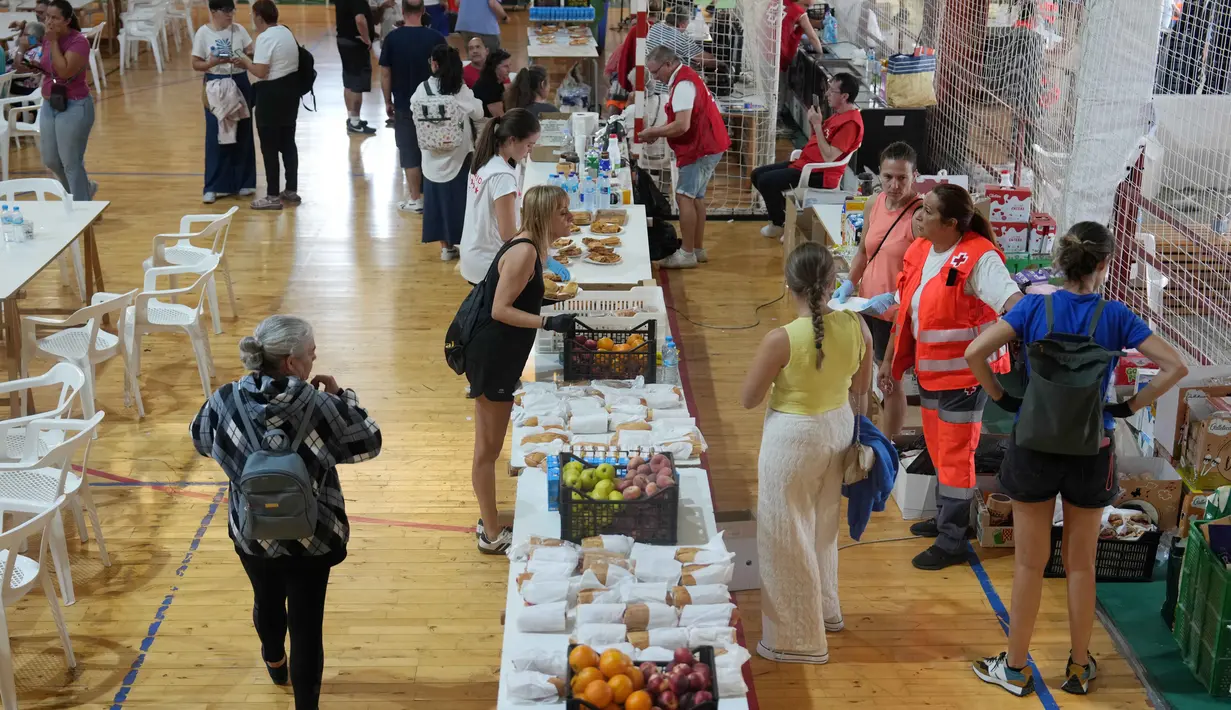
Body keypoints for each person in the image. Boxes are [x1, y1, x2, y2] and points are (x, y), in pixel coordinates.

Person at [965, 223, 1188, 698]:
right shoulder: (1116, 316)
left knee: (1029, 564)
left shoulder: (1034, 306)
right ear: (1104, 265)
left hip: (1033, 446)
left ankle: (1017, 667)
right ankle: (1079, 665)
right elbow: (1176, 367)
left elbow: (974, 352)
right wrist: (1127, 407)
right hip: (1092, 449)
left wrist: (1004, 398)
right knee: (1081, 565)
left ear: (1060, 262)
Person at [191, 315, 383, 710]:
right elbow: (369, 441)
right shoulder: (320, 405)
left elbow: (201, 438)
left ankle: (274, 661)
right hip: (313, 535)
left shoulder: (225, 399)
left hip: (253, 532)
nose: (315, 359)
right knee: (307, 624)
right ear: (292, 363)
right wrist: (342, 396)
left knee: (266, 598)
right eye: (311, 354)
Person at [870, 184, 1024, 570]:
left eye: (928, 211)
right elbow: (907, 313)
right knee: (940, 453)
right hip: (931, 375)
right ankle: (946, 520)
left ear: (951, 223)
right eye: (919, 208)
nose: (918, 215)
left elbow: (1016, 307)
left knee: (955, 459)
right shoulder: (922, 250)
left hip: (964, 381)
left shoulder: (980, 259)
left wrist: (988, 351)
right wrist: (889, 360)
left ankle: (953, 540)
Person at [740, 241, 872, 664]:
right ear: (834, 283)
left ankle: (796, 639)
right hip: (837, 428)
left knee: (785, 533)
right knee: (822, 526)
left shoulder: (781, 339)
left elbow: (749, 398)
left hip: (793, 438)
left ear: (787, 286)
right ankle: (826, 610)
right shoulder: (858, 326)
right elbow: (861, 389)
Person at [464, 185, 576, 553]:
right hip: (493, 357)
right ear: (545, 215)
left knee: (488, 446)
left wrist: (546, 301)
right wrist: (546, 323)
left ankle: (490, 521)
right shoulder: (524, 252)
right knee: (488, 450)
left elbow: (520, 294)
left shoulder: (531, 245)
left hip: (503, 354)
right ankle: (491, 534)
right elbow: (499, 309)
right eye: (563, 212)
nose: (570, 218)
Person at [833, 142, 921, 439]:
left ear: (915, 176)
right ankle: (858, 436)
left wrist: (895, 299)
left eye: (902, 178)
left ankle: (890, 444)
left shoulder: (919, 217)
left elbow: (922, 274)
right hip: (865, 307)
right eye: (888, 177)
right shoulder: (874, 203)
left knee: (890, 384)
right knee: (858, 375)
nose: (894, 185)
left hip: (896, 314)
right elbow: (862, 252)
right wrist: (849, 282)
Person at [639, 44, 731, 269]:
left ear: (668, 64)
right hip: (711, 144)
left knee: (684, 197)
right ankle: (697, 248)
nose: (654, 77)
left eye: (655, 71)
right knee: (696, 197)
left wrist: (654, 132)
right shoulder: (685, 78)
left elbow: (681, 125)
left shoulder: (683, 85)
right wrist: (659, 132)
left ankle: (687, 253)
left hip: (700, 148)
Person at [752, 72, 863, 238]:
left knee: (766, 182)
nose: (827, 94)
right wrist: (815, 123)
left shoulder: (850, 124)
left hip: (819, 172)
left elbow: (829, 157)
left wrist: (818, 125)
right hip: (805, 162)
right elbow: (820, 139)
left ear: (845, 96)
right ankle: (783, 219)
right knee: (756, 174)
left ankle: (781, 223)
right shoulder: (839, 113)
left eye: (832, 91)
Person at [412, 44, 483, 260]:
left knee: (437, 202)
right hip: (459, 154)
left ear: (434, 64)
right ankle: (466, 246)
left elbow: (412, 109)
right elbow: (478, 113)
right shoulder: (459, 89)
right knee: (461, 202)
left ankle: (446, 247)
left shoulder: (423, 88)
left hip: (431, 155)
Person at [232, 0, 301, 210]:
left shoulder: (264, 37)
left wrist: (245, 62)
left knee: (269, 147)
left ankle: (272, 196)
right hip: (290, 94)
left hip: (271, 96)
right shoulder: (285, 32)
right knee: (288, 143)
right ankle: (291, 190)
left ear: (259, 17)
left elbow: (261, 72)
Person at [380, 0, 447, 213]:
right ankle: (435, 198)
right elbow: (446, 71)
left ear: (403, 10)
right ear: (423, 11)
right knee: (433, 149)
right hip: (434, 106)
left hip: (404, 105)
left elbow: (385, 73)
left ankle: (415, 199)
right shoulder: (436, 38)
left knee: (408, 151)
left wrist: (387, 101)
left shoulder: (392, 39)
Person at [459, 108, 539, 285]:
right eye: (528, 145)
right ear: (512, 140)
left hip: (473, 253)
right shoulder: (502, 177)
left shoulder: (485, 159)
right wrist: (537, 241)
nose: (529, 151)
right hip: (488, 262)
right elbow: (508, 233)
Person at [191, 0, 256, 203]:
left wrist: (243, 59)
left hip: (239, 81)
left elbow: (251, 51)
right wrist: (211, 62)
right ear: (213, 11)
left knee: (244, 130)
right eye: (225, 11)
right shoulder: (203, 33)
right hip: (215, 84)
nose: (230, 15)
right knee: (216, 133)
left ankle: (244, 181)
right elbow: (196, 63)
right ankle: (213, 186)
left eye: (232, 10)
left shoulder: (239, 30)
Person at [37, 0, 96, 202]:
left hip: (75, 105)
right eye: (48, 17)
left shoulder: (79, 42)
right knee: (52, 160)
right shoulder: (47, 38)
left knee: (71, 162)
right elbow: (48, 67)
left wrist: (53, 42)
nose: (49, 22)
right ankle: (83, 190)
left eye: (55, 18)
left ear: (68, 20)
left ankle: (83, 209)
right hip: (50, 103)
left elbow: (64, 70)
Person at [336, 0, 377, 135]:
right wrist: (367, 39)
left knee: (348, 80)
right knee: (357, 83)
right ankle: (355, 122)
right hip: (355, 43)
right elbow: (360, 20)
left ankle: (352, 118)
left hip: (343, 39)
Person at [779, 0, 823, 69]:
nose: (806, 9)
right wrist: (822, 55)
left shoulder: (779, 1)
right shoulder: (798, 12)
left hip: (764, 45)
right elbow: (813, 38)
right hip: (780, 53)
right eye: (806, 6)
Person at [472, 47, 510, 118]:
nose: (509, 70)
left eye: (509, 66)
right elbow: (500, 118)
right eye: (505, 66)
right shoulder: (489, 87)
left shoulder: (497, 82)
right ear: (494, 68)